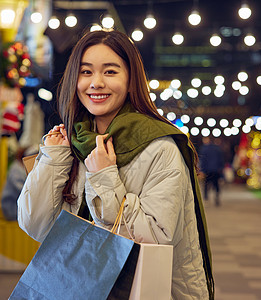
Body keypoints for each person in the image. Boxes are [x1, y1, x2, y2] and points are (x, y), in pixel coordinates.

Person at [17, 29, 214, 299]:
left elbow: (158, 238)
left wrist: (105, 176)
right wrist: (53, 159)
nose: (96, 83)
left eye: (110, 72)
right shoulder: (70, 143)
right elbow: (35, 226)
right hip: (78, 287)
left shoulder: (160, 147)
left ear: (131, 80)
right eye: (86, 72)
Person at [199, 136, 224, 206]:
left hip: (207, 170)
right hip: (216, 170)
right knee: (216, 184)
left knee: (206, 184)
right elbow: (221, 160)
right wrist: (221, 169)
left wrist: (202, 170)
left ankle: (206, 198)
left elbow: (203, 161)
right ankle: (217, 197)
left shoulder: (204, 149)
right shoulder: (217, 149)